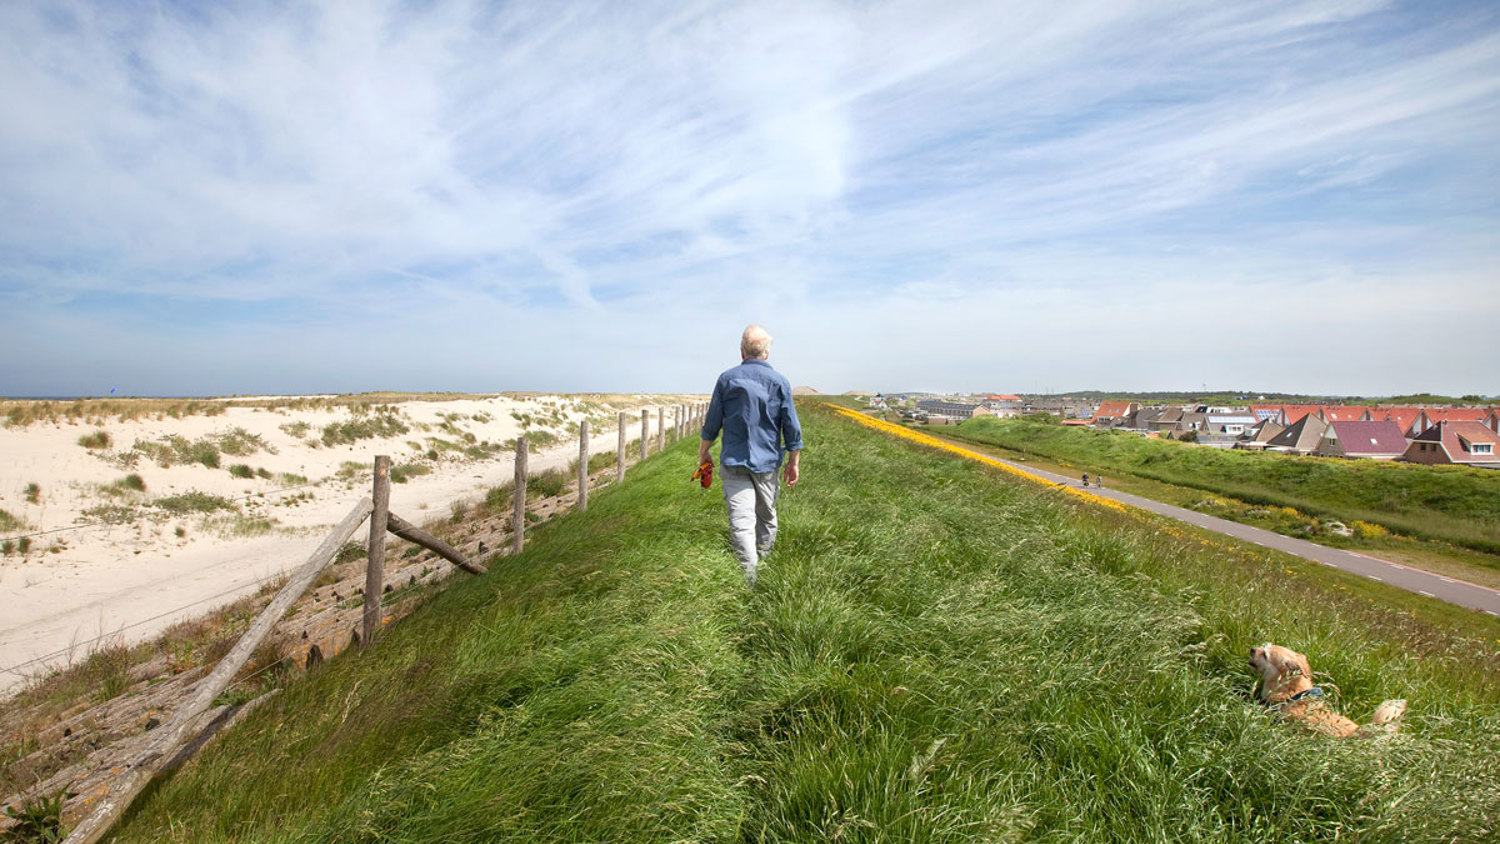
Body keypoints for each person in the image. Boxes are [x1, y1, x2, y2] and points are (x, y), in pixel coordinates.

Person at [699, 324, 803, 587]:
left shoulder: (726, 379)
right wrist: (794, 462)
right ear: (766, 353)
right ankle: (761, 566)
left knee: (741, 521)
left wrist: (703, 452)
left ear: (742, 351)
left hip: (734, 461)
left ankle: (750, 578)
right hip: (767, 463)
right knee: (765, 514)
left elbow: (713, 422)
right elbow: (791, 426)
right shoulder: (780, 382)